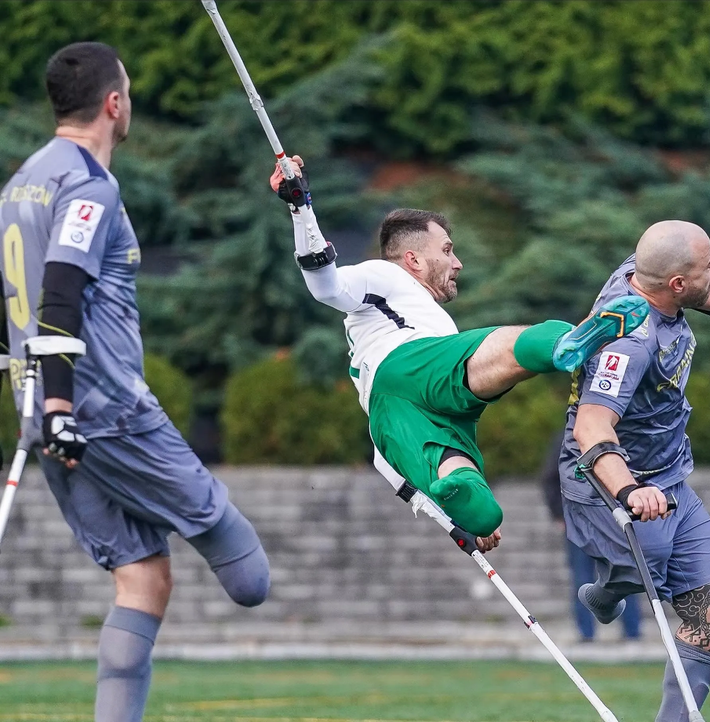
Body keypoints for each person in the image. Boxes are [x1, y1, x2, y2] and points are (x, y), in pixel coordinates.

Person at [0, 42, 271, 722]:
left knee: (144, 580)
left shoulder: (23, 181)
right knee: (250, 577)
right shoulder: (90, 183)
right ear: (114, 104)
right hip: (106, 412)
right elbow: (59, 289)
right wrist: (61, 401)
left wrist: (38, 403)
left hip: (43, 416)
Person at [270, 157, 649, 545]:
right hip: (410, 364)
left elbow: (392, 472)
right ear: (413, 259)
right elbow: (326, 286)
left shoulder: (412, 317)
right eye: (447, 250)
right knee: (497, 350)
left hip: (390, 418)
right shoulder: (387, 275)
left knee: (474, 500)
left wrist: (455, 522)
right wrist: (301, 208)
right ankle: (563, 342)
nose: (458, 263)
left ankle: (468, 502)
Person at [559, 220, 710, 722]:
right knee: (648, 563)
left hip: (671, 477)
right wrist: (630, 490)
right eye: (709, 268)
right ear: (676, 284)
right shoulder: (629, 343)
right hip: (608, 481)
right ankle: (608, 590)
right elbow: (591, 426)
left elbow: (696, 287)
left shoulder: (643, 275)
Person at [538, 435, 641, 643]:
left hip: (611, 522)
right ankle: (590, 633)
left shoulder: (613, 435)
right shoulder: (568, 440)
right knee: (589, 577)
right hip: (584, 522)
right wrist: (560, 514)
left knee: (622, 575)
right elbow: (550, 478)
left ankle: (629, 631)